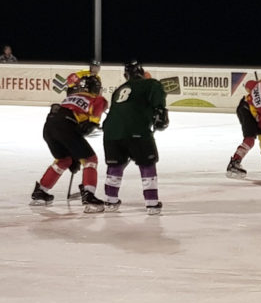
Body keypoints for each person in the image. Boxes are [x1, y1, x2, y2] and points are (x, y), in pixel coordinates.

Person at [30, 75, 108, 212]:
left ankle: (40, 192)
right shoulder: (96, 98)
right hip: (66, 127)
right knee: (90, 159)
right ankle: (89, 196)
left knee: (64, 160)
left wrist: (74, 155)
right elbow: (90, 121)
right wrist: (93, 123)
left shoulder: (71, 96)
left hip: (49, 127)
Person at [101, 60, 169, 215]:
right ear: (142, 73)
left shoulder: (119, 89)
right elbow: (159, 107)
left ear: (126, 75)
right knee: (147, 163)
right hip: (137, 130)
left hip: (111, 132)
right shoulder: (151, 84)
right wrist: (160, 117)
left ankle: (110, 200)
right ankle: (152, 203)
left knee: (115, 165)